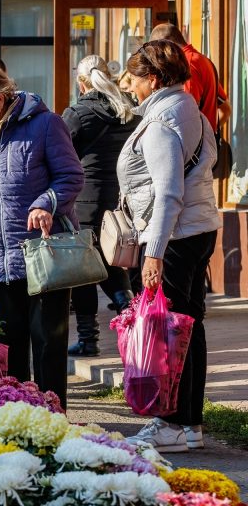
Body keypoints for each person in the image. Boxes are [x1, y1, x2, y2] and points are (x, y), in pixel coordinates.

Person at [0, 58, 84, 409]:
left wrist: (46, 203)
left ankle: (53, 416)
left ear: (0, 96)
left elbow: (71, 176)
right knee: (6, 350)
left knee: (48, 345)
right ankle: (17, 417)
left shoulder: (45, 125)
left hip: (43, 257)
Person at [120, 40, 221, 452]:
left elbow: (168, 193)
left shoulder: (162, 120)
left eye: (136, 79)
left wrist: (154, 251)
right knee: (188, 328)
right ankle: (190, 424)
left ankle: (173, 423)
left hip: (175, 236)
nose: (131, 86)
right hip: (197, 229)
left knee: (168, 332)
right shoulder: (190, 108)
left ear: (155, 78)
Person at [61, 55, 141, 357]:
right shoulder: (128, 110)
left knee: (83, 270)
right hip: (119, 200)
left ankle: (89, 338)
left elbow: (59, 153)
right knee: (108, 262)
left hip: (84, 203)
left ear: (82, 82)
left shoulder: (78, 114)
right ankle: (131, 317)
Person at [149, 23, 231, 132]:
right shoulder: (202, 60)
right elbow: (226, 109)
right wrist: (210, 134)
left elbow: (186, 116)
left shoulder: (187, 64)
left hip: (193, 145)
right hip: (202, 143)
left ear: (167, 43)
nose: (158, 56)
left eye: (157, 50)